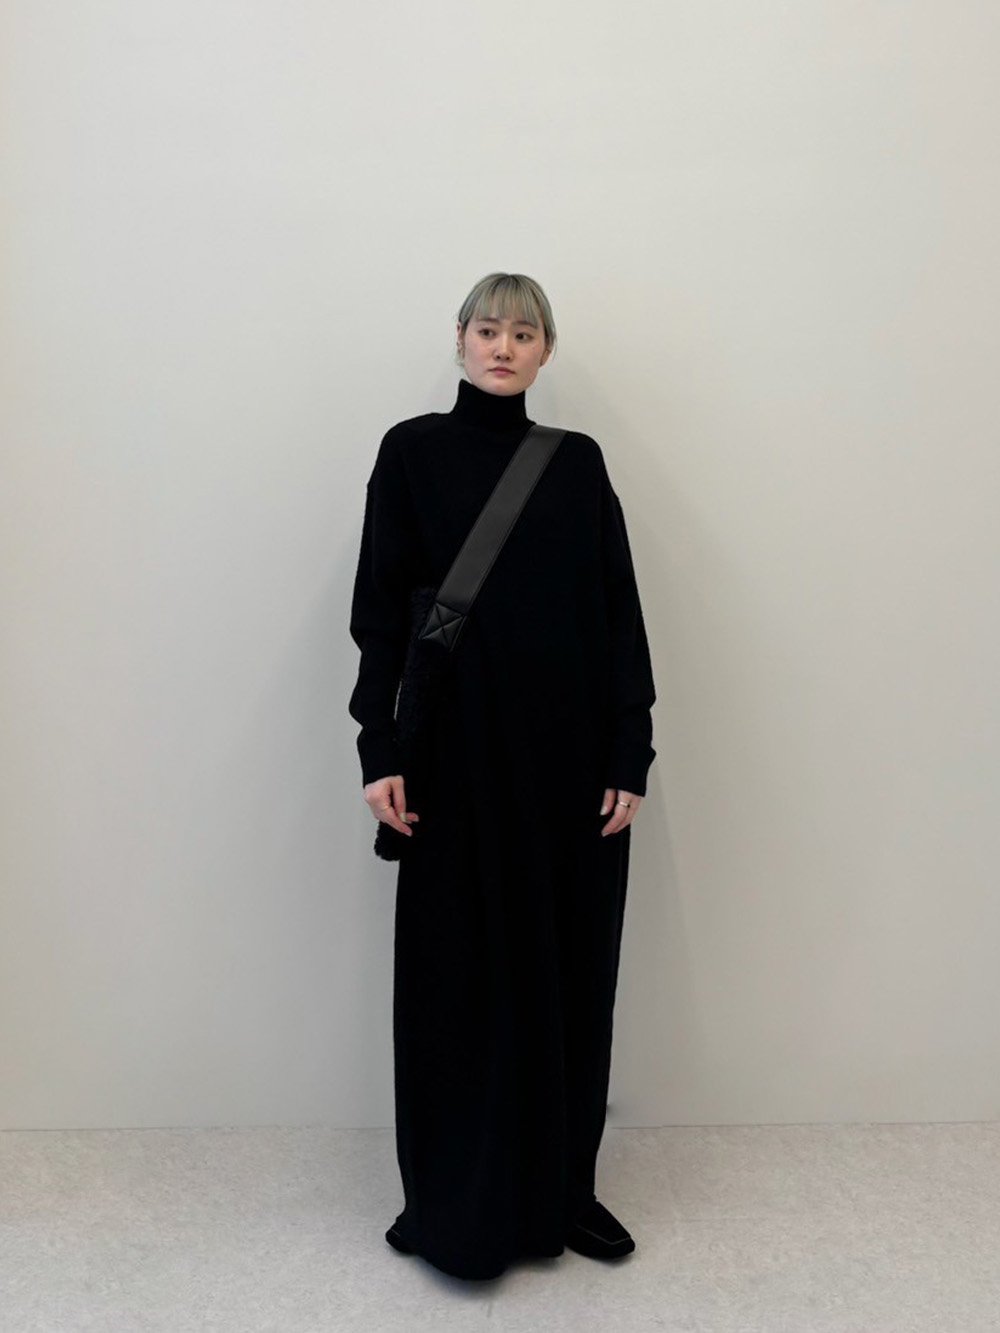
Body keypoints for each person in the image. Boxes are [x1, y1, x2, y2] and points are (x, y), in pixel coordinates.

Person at [348, 272, 656, 1281]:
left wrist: (629, 747)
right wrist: (379, 747)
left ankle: (565, 1190)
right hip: (453, 758)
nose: (502, 347)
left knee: (571, 977)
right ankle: (448, 1202)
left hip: (569, 766)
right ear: (460, 338)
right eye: (488, 329)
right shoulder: (411, 453)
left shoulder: (575, 462)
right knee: (454, 981)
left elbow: (617, 610)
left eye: (523, 334)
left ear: (545, 351)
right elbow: (380, 614)